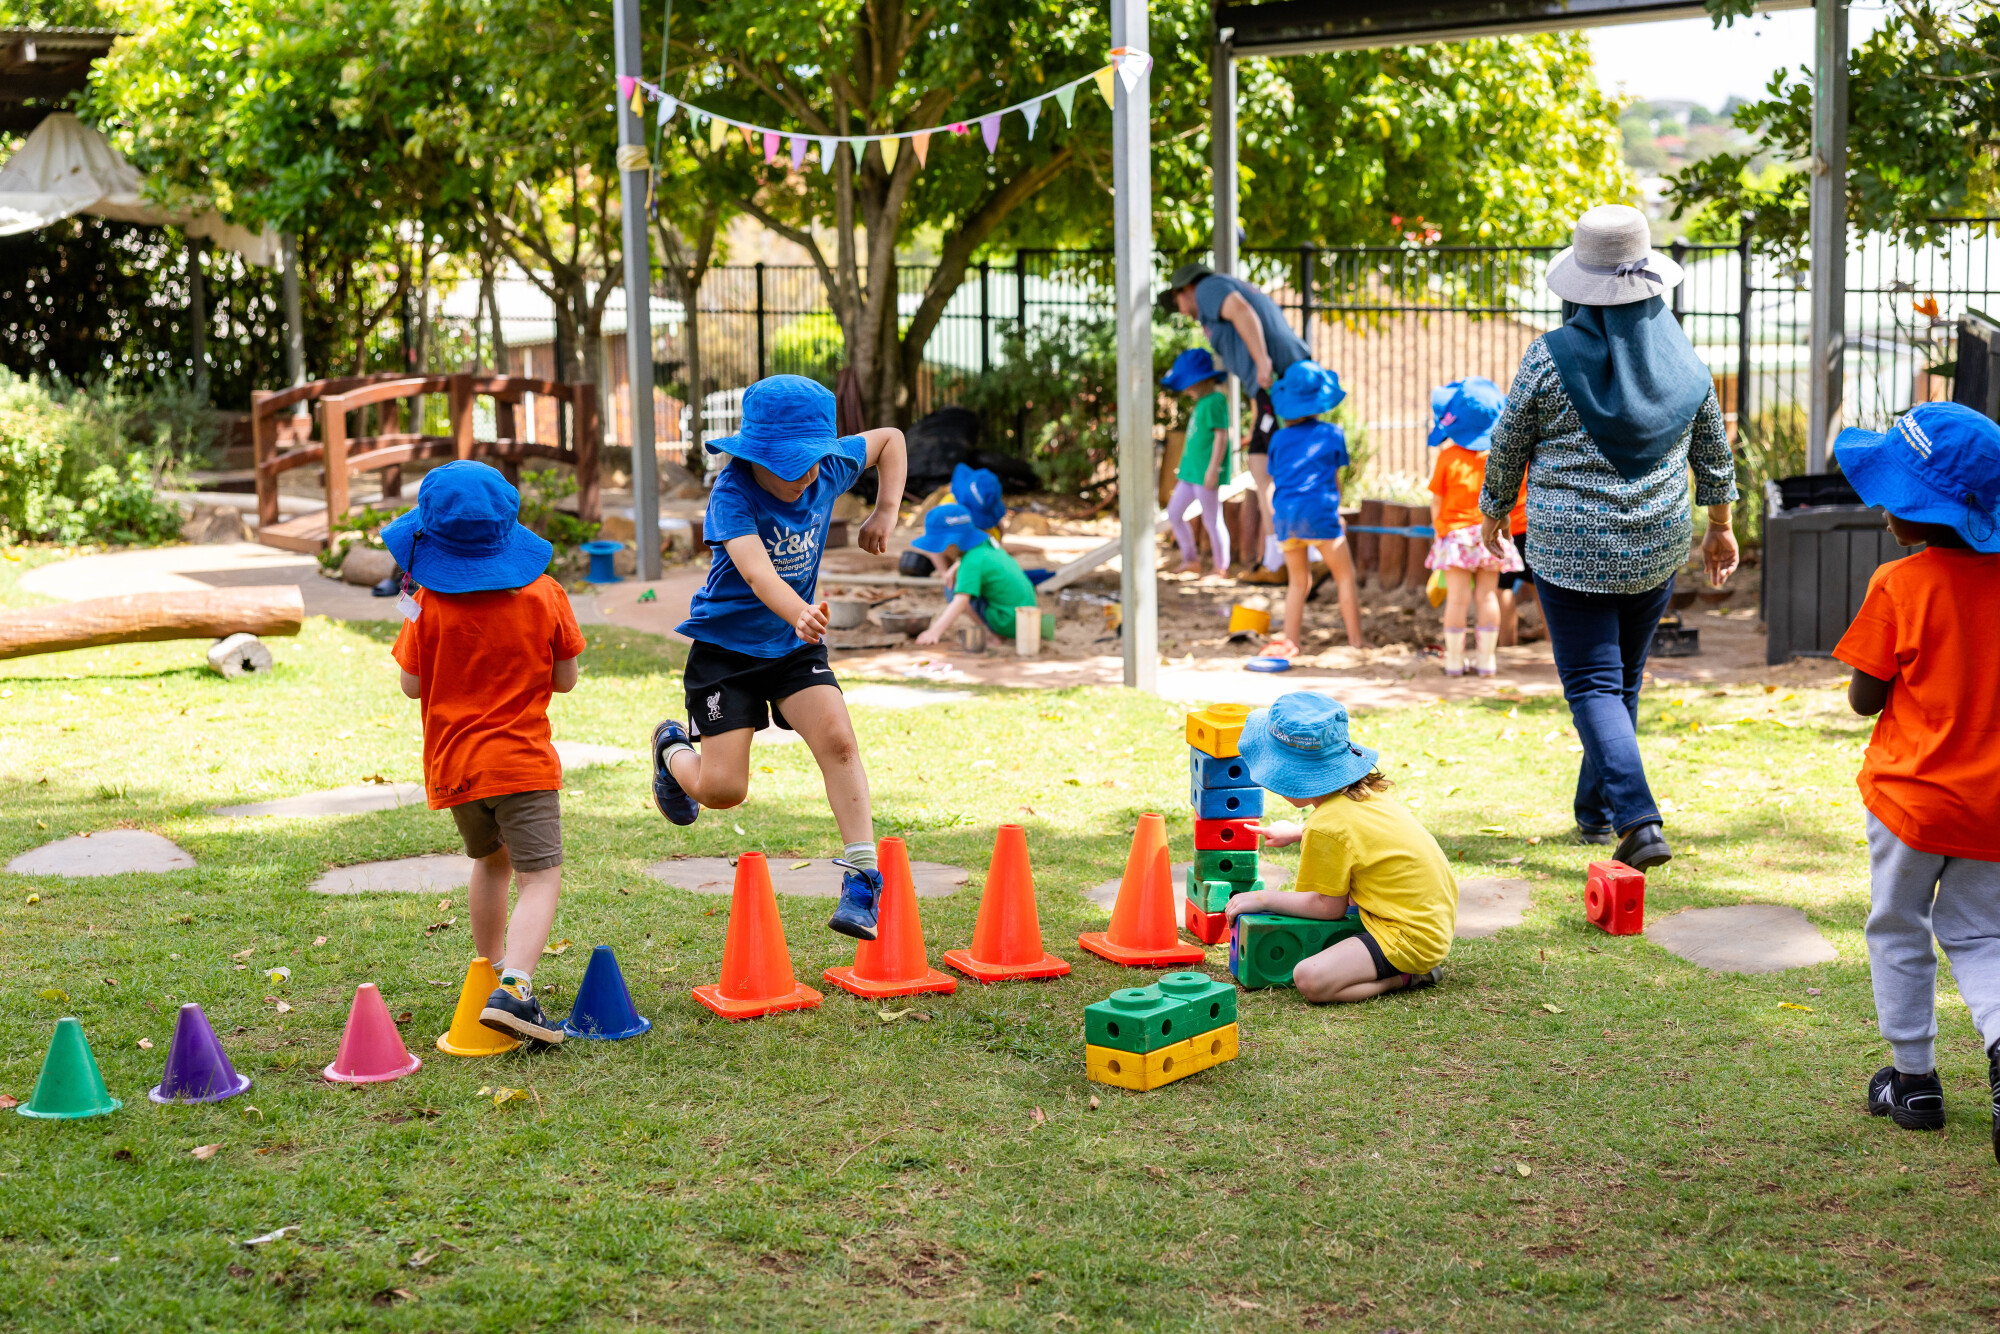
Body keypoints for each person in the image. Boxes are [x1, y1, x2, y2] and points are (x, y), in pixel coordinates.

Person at [1478, 204, 1737, 871]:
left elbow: (1508, 442)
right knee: (1621, 681)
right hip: (1657, 544)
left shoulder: (1550, 357)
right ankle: (1593, 812)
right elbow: (1712, 445)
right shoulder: (1681, 355)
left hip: (1569, 548)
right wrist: (1721, 526)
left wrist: (1492, 512)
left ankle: (1637, 820)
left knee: (1594, 683)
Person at [649, 374, 910, 942]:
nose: (808, 477)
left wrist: (885, 510)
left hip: (793, 647)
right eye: (792, 466)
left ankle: (863, 877)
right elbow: (755, 570)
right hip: (726, 653)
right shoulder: (733, 492)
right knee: (723, 791)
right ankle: (671, 748)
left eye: (814, 462)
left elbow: (889, 439)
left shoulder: (827, 468)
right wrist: (796, 611)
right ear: (757, 456)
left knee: (839, 740)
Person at [1826, 401, 2000, 1158]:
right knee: (1985, 935)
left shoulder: (1898, 586)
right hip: (1992, 809)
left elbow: (1866, 698)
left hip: (1908, 803)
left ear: (1910, 513)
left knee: (1899, 928)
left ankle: (1914, 1079)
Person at [383, 461, 585, 1049]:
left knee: (490, 863)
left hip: (457, 768)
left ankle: (490, 968)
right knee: (540, 877)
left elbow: (411, 686)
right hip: (521, 764)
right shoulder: (545, 594)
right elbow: (566, 678)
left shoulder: (427, 603)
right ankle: (517, 988)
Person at [1223, 693, 1455, 1002]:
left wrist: (1262, 898)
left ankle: (1408, 975)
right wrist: (1297, 832)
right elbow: (1357, 835)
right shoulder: (1365, 791)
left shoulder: (1327, 825)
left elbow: (1326, 907)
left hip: (1409, 936)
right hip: (1431, 918)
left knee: (1310, 978)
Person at [1157, 262, 1313, 585]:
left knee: (1267, 469)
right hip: (1274, 388)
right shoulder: (1221, 290)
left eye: (1177, 303)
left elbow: (1242, 312)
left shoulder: (1209, 288)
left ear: (1184, 289)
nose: (1182, 312)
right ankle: (1281, 558)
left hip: (1279, 382)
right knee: (1266, 464)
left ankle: (1293, 557)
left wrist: (1263, 360)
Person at [1263, 360, 1365, 656]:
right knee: (1344, 575)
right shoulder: (1331, 434)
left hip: (1286, 516)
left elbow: (1277, 477)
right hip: (1319, 514)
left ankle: (1291, 642)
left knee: (1298, 581)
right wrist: (1336, 515)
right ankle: (1356, 642)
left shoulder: (1279, 439)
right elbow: (1333, 480)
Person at [1425, 377, 1523, 676]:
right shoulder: (1497, 457)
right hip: (1490, 535)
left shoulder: (1447, 457)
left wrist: (1439, 531)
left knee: (1457, 599)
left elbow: (1436, 502)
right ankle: (1486, 661)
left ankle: (1454, 661)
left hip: (1456, 537)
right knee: (1487, 596)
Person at [911, 503, 1048, 648]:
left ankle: (992, 635)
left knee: (952, 589)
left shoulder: (971, 561)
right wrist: (955, 567)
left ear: (951, 543)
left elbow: (961, 600)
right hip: (1024, 617)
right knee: (962, 582)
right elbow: (983, 561)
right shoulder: (986, 543)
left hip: (1007, 622)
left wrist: (934, 632)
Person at [1160, 348, 1233, 577]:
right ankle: (1190, 559)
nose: (1187, 389)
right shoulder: (1202, 402)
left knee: (1212, 520)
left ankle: (1221, 567)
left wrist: (1213, 469)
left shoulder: (1215, 400)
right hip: (1190, 473)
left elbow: (1222, 436)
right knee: (1174, 513)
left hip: (1205, 473)